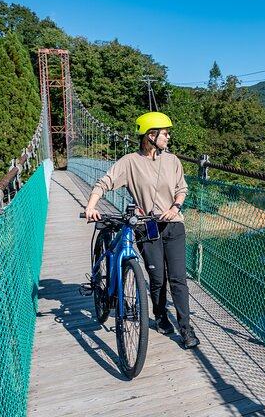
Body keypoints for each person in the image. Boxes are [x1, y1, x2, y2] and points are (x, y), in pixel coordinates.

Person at [84, 111, 200, 349]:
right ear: (151, 135)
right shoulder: (130, 162)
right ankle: (160, 316)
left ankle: (186, 328)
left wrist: (175, 206)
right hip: (147, 227)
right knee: (157, 278)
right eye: (165, 133)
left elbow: (182, 188)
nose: (168, 137)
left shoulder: (173, 160)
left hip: (174, 224)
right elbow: (104, 182)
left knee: (178, 279)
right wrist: (91, 206)